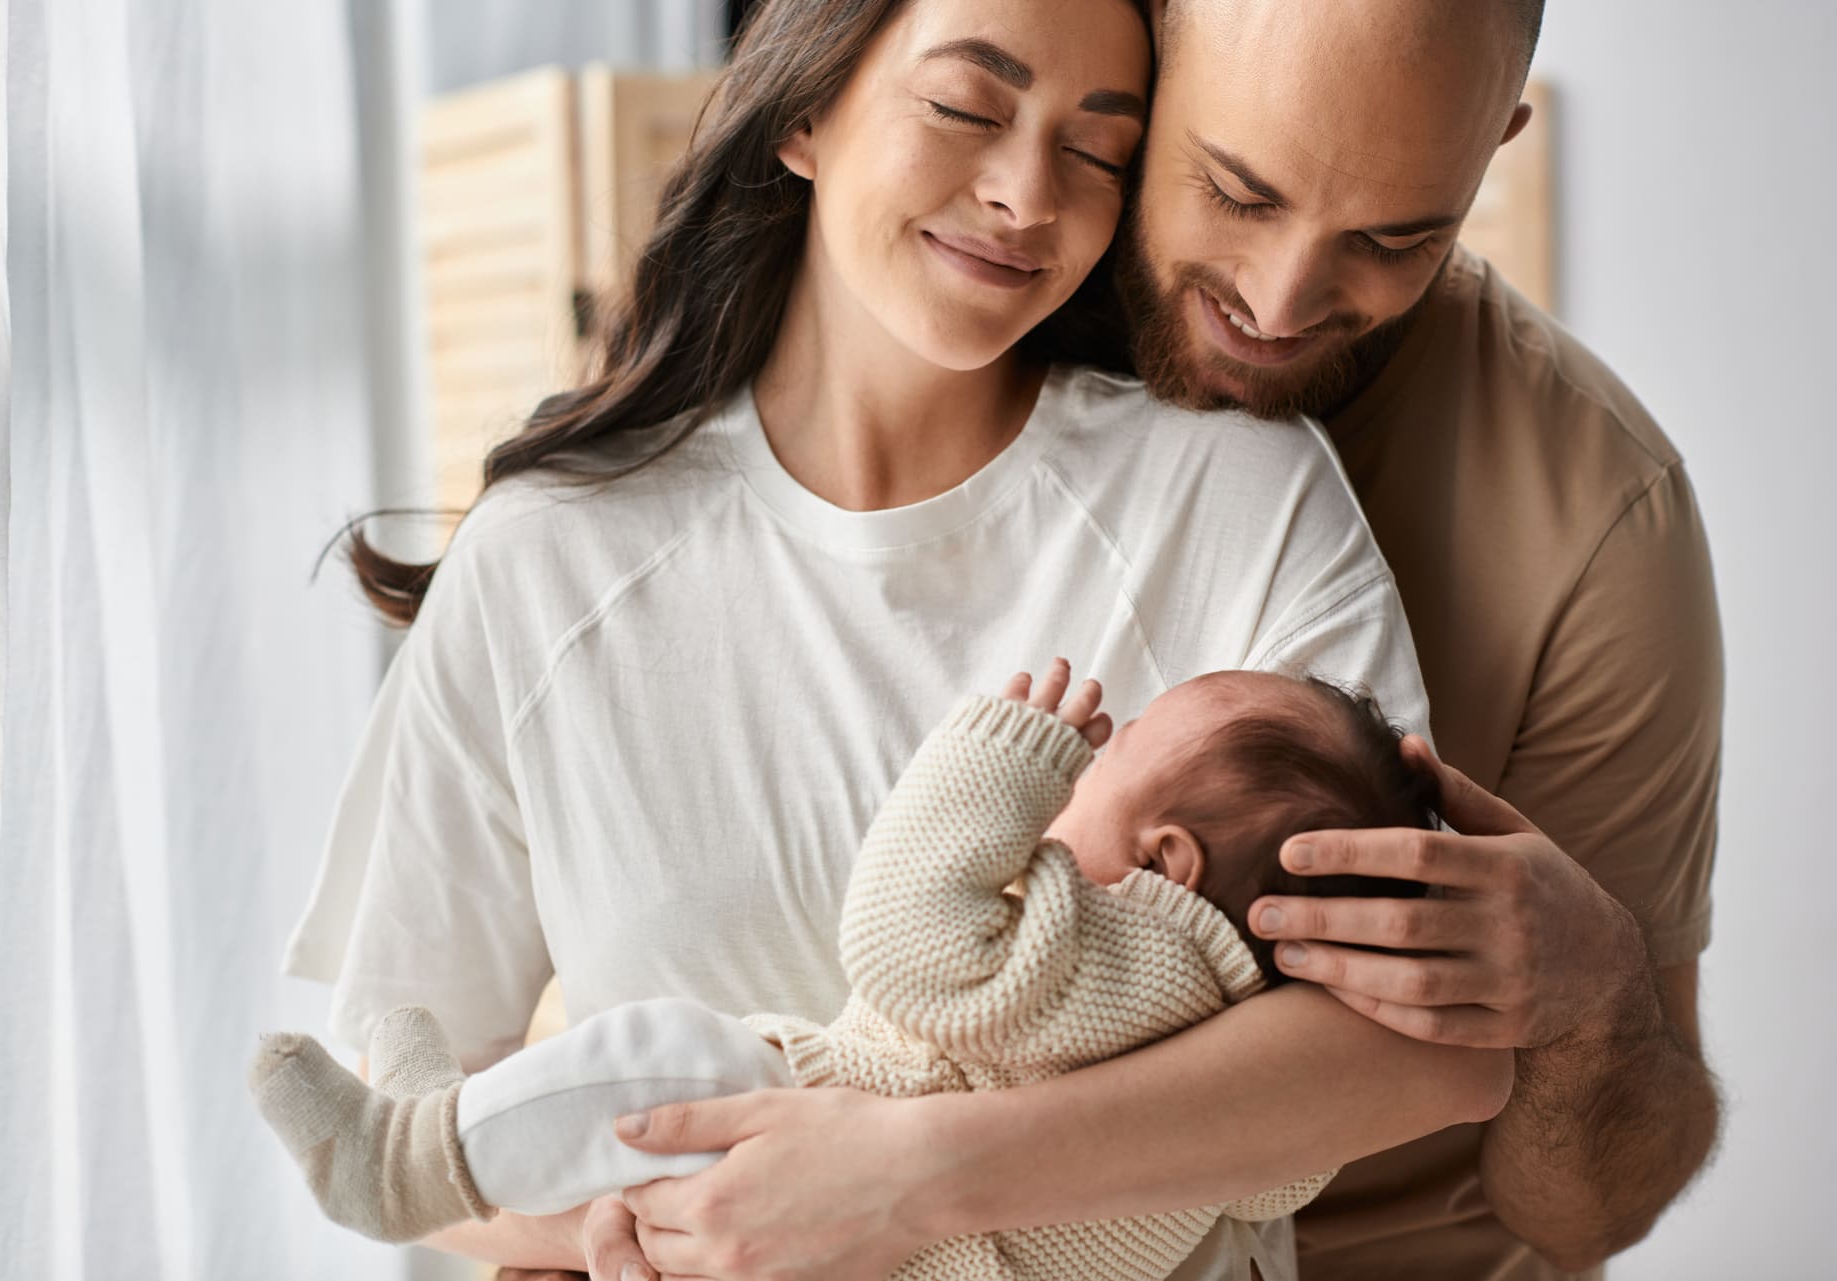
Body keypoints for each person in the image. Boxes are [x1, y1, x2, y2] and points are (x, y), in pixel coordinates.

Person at [279, 0, 1513, 1278]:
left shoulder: (1234, 494)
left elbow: (1432, 1042)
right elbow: (407, 1116)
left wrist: (907, 1184)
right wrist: (654, 1225)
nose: (1028, 196)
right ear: (805, 106)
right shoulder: (549, 558)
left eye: (1098, 154)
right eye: (967, 109)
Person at [585, 2, 1723, 1279]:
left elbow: (1588, 1209)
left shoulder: (1595, 515)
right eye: (1235, 191)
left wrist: (1590, 1000)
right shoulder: (961, 292)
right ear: (1147, 62)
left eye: (1398, 239)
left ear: (1492, 150)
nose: (1280, 301)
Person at [258, 663, 1437, 1277]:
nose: (1077, 779)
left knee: (678, 1063)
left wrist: (993, 762)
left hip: (886, 1213)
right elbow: (1278, 1178)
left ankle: (405, 1152)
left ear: (1166, 860)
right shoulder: (1247, 1086)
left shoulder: (1124, 957)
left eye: (1115, 760)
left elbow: (904, 945)